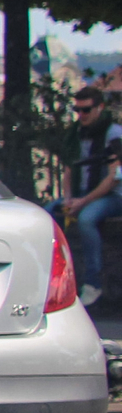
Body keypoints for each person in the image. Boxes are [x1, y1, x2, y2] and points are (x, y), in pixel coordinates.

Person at [57, 81, 122, 310]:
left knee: (86, 219)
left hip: (113, 195)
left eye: (86, 110)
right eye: (78, 110)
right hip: (83, 193)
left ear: (99, 108)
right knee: (47, 214)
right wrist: (68, 198)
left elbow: (115, 177)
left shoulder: (113, 134)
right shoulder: (76, 133)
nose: (81, 115)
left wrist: (82, 203)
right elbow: (68, 168)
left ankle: (93, 283)